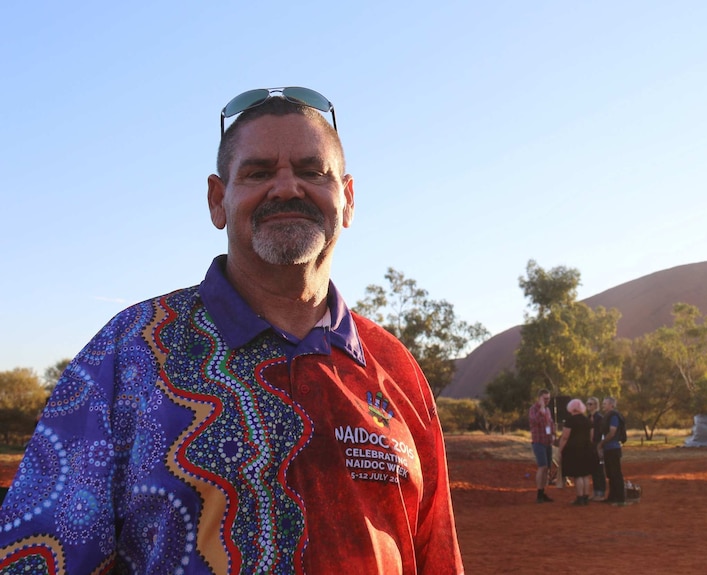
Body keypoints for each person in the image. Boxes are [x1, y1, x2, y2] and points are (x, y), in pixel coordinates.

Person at [0, 87, 464, 574]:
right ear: (218, 200)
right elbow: (41, 555)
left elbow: (436, 552)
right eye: (259, 172)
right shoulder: (128, 352)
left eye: (311, 171)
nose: (287, 188)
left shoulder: (394, 368)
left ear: (347, 199)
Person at [557, 399, 595, 506]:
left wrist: (560, 450)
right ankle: (586, 497)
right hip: (586, 449)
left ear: (571, 408)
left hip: (574, 450)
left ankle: (579, 498)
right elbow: (591, 436)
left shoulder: (570, 420)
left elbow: (565, 437)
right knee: (585, 475)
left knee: (578, 475)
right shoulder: (588, 421)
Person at [598, 396, 626, 505]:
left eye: (605, 403)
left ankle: (620, 498)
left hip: (613, 448)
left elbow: (612, 432)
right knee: (610, 474)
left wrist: (602, 443)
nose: (603, 405)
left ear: (612, 405)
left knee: (616, 474)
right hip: (609, 448)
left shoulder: (613, 416)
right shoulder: (609, 416)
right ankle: (612, 496)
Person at [529, 389, 555, 503]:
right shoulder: (533, 409)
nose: (547, 401)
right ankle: (539, 493)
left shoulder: (548, 410)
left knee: (547, 468)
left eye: (548, 398)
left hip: (547, 442)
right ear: (539, 398)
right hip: (538, 441)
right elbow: (534, 422)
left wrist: (553, 434)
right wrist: (541, 410)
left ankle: (543, 492)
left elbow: (550, 423)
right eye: (545, 398)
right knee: (542, 466)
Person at [586, 396, 606, 501]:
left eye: (591, 404)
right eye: (587, 404)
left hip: (598, 445)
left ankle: (601, 493)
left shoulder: (600, 418)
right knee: (593, 469)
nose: (588, 406)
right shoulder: (588, 417)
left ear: (596, 405)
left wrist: (601, 446)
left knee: (599, 470)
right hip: (590, 446)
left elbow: (603, 433)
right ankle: (595, 492)